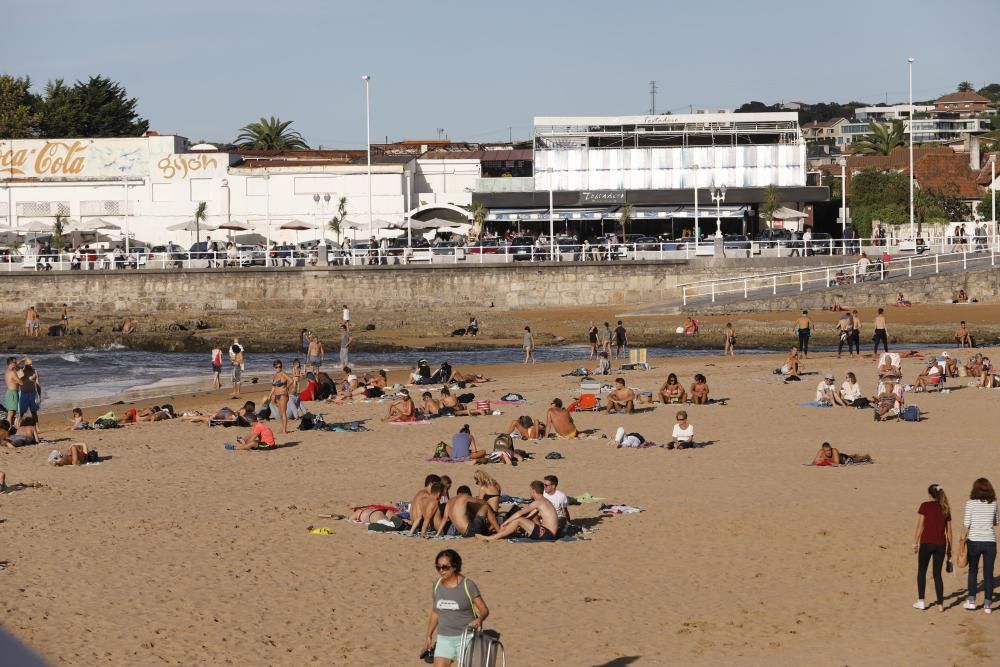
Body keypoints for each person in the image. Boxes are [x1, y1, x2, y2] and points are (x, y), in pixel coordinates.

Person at [423, 549, 489, 666]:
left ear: (455, 567)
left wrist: (479, 619)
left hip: (466, 637)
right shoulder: (437, 585)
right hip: (444, 638)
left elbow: (484, 609)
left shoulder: (468, 585)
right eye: (438, 567)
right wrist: (429, 635)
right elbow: (435, 612)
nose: (441, 571)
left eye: (445, 567)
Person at [478, 480, 560, 542]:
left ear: (534, 491)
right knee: (520, 520)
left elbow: (520, 513)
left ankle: (491, 538)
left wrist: (506, 522)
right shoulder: (544, 501)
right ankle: (501, 533)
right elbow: (529, 516)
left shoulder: (538, 503)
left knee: (519, 520)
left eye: (530, 490)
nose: (530, 492)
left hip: (547, 534)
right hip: (549, 533)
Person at [913, 484, 952, 612]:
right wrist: (949, 550)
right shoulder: (945, 508)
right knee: (937, 575)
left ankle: (921, 601)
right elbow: (949, 532)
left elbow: (920, 526)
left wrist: (915, 542)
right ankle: (940, 604)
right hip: (941, 544)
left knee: (922, 571)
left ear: (930, 494)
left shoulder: (925, 506)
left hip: (926, 543)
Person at [962, 478, 998, 613]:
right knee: (988, 573)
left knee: (973, 571)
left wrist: (961, 540)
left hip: (974, 540)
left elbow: (966, 524)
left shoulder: (970, 503)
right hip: (990, 541)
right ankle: (987, 605)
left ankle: (971, 601)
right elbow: (996, 521)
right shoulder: (994, 503)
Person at [268, 359, 294, 434]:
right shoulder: (275, 375)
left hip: (283, 395)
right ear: (274, 367)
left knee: (283, 413)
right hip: (277, 395)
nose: (278, 368)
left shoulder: (283, 374)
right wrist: (270, 395)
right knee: (280, 413)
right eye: (276, 367)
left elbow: (291, 380)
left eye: (280, 366)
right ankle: (283, 428)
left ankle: (284, 430)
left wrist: (287, 387)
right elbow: (273, 387)